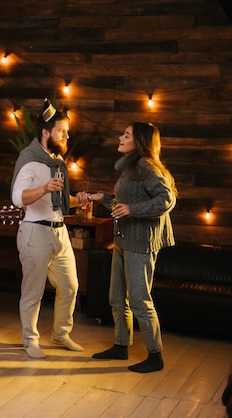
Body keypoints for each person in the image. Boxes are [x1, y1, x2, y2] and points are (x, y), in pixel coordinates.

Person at [82, 122, 176, 373]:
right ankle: (121, 345)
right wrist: (101, 198)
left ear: (140, 142)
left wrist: (132, 210)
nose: (121, 137)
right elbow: (122, 204)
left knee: (139, 300)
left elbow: (167, 199)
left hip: (141, 243)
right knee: (116, 297)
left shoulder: (145, 165)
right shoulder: (130, 167)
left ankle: (155, 356)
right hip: (123, 240)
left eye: (127, 135)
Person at [10, 99, 83, 359]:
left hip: (59, 232)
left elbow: (60, 201)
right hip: (34, 232)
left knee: (71, 285)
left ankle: (61, 333)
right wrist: (43, 188)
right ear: (45, 133)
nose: (66, 135)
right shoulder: (29, 160)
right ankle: (30, 340)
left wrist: (78, 199)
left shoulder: (57, 160)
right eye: (62, 131)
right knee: (34, 291)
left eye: (66, 131)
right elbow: (18, 198)